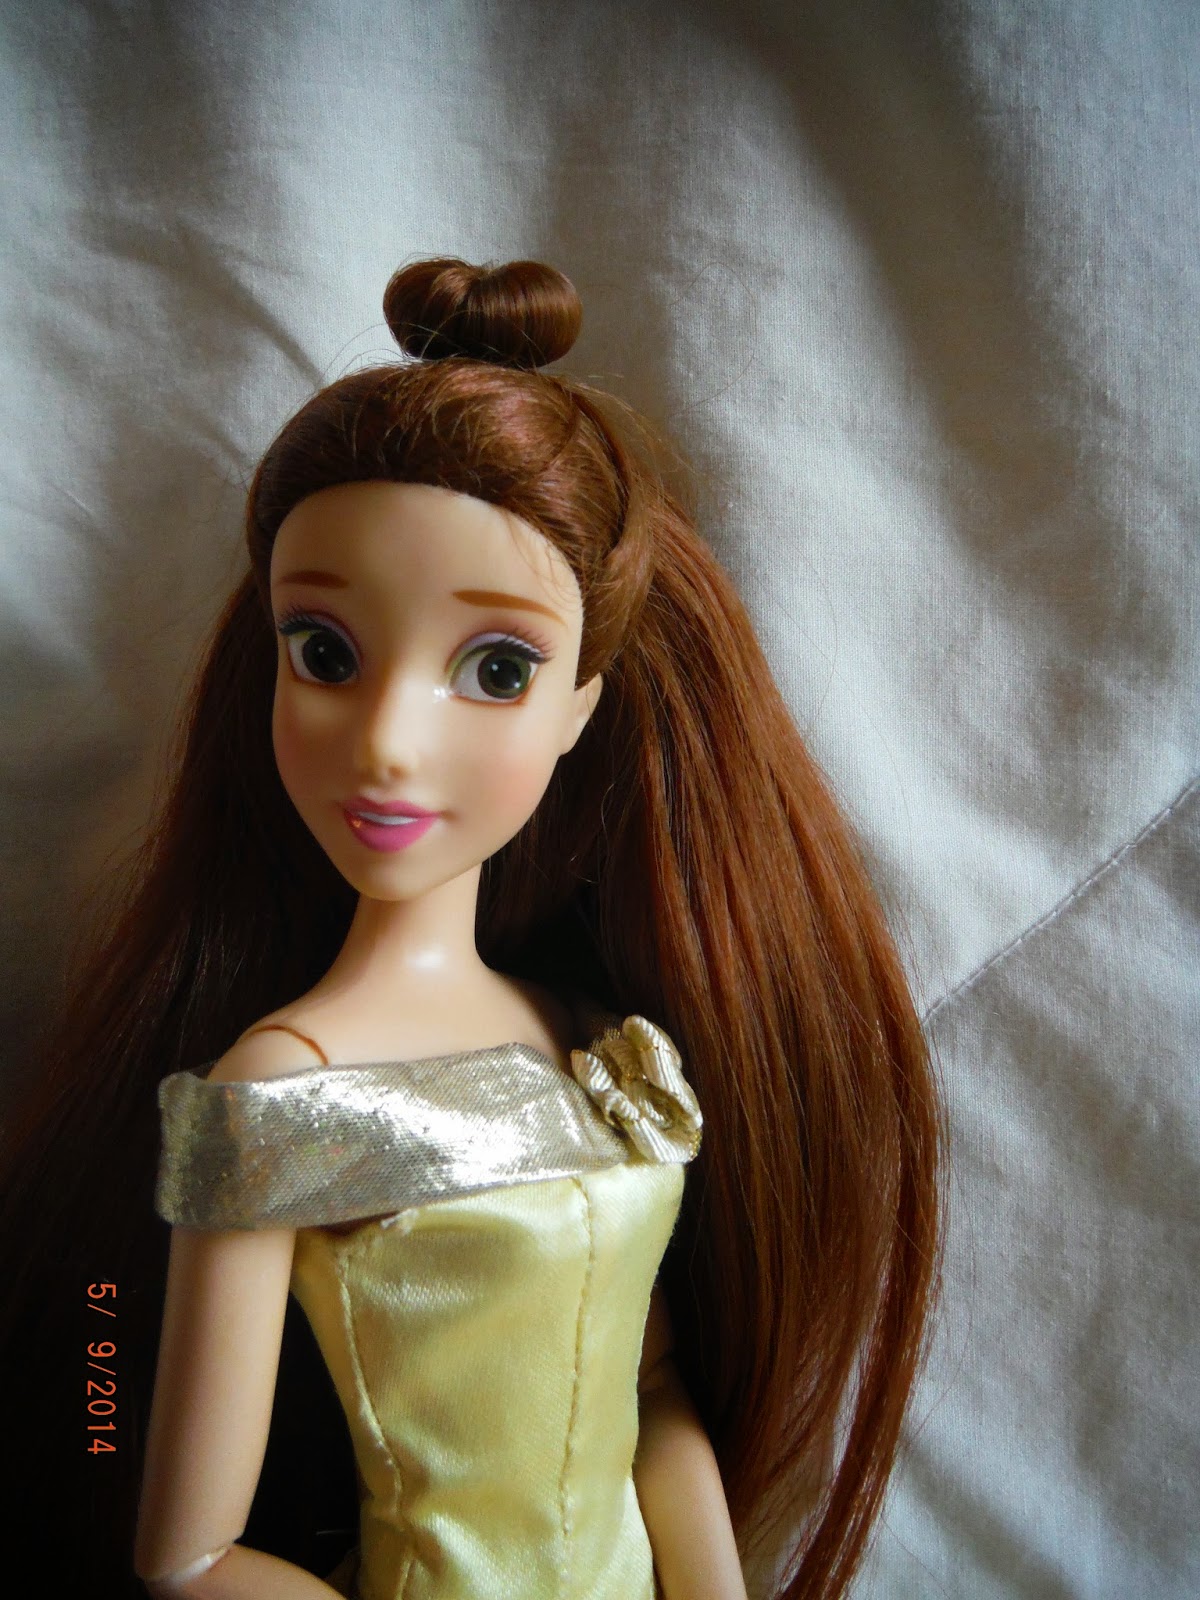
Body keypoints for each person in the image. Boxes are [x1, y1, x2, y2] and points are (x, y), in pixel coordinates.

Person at [0, 259, 941, 1598]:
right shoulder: (282, 1091)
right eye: (325, 653)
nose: (388, 742)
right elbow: (190, 1555)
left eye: (497, 669)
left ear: (581, 706)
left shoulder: (594, 1041)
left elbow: (649, 1389)